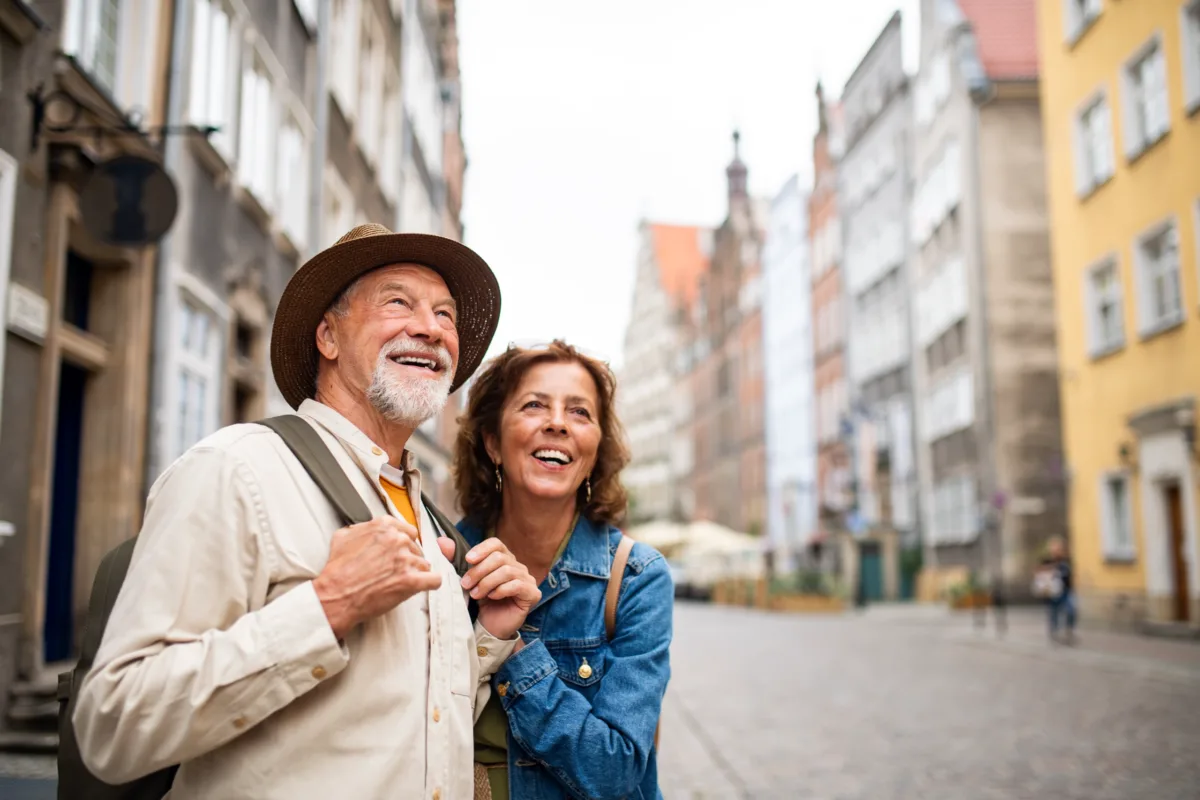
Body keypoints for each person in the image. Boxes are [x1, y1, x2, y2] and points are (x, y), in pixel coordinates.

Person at [73, 224, 541, 799]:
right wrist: (327, 608)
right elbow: (113, 725)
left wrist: (489, 638)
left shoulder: (430, 521)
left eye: (445, 315)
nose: (431, 328)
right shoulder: (236, 468)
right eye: (398, 302)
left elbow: (412, 726)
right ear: (328, 336)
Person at [453, 340, 673, 800]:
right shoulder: (446, 559)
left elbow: (615, 772)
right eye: (534, 405)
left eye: (579, 412)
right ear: (492, 441)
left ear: (595, 451)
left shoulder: (636, 578)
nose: (557, 422)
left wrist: (512, 649)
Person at [1040, 535, 1077, 644]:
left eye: (1058, 548)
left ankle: (1068, 630)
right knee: (1054, 613)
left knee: (1071, 610)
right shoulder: (1047, 561)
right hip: (1052, 592)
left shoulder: (1066, 560)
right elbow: (1040, 574)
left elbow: (1070, 574)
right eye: (1054, 548)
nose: (1056, 550)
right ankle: (1054, 632)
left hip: (1066, 590)